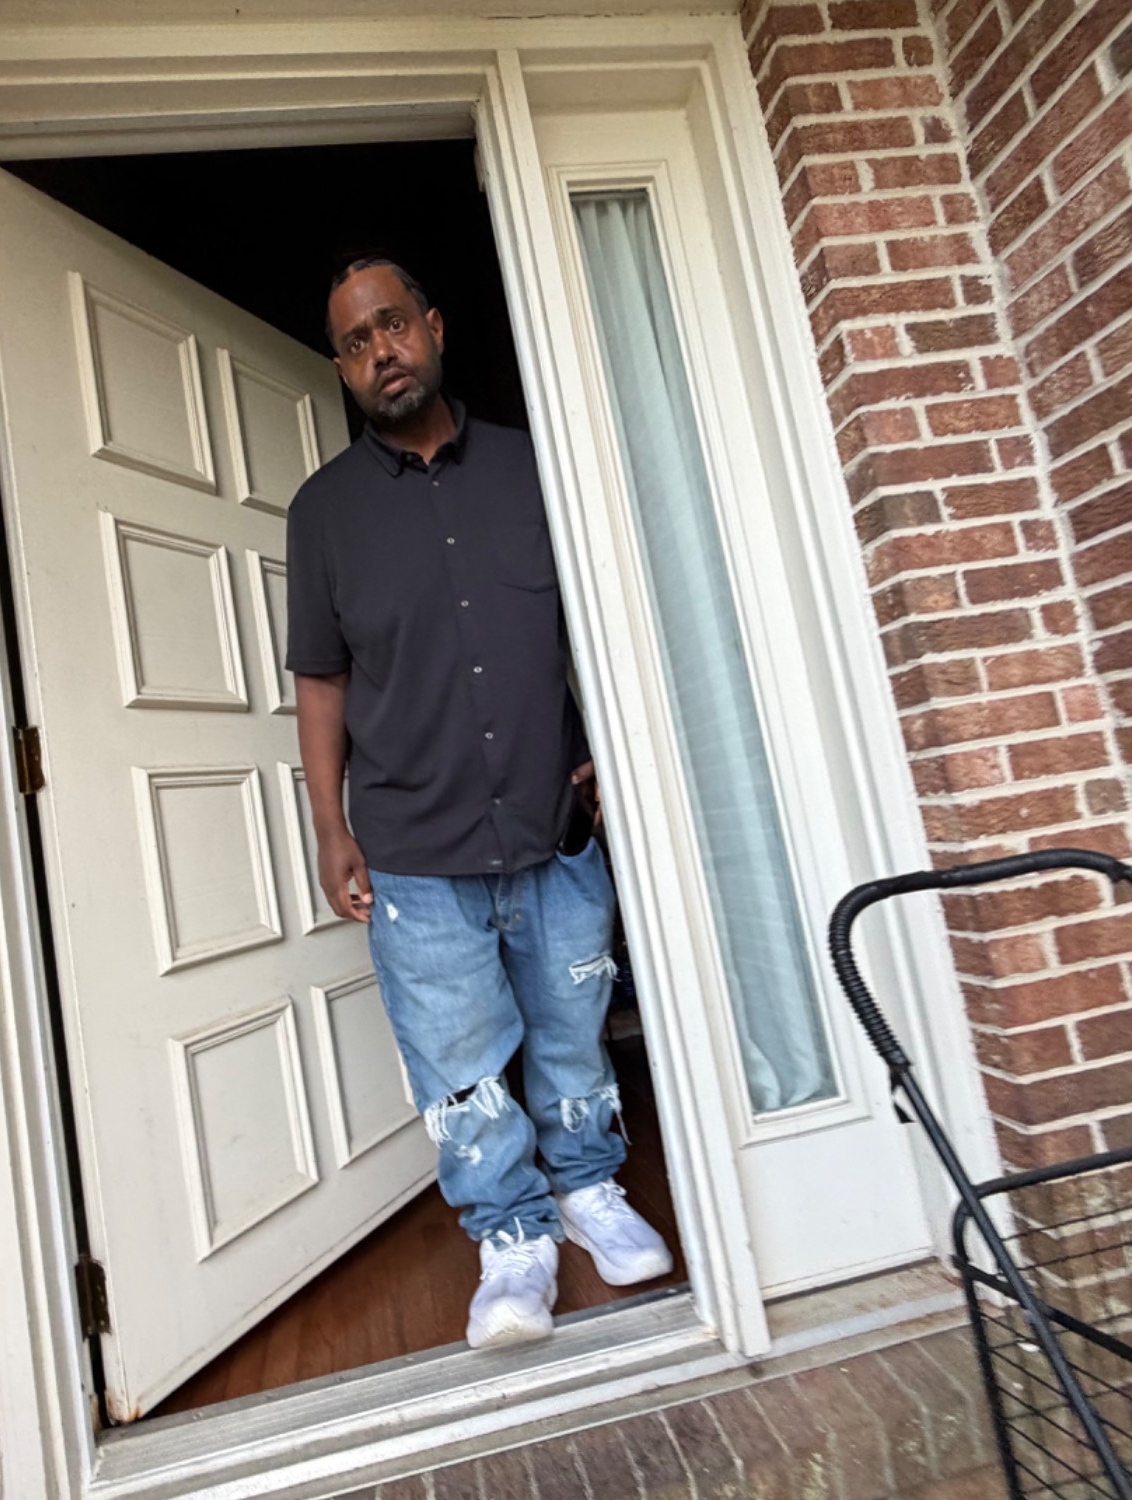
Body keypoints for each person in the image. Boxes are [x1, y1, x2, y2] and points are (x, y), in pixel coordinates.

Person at [286, 256, 672, 1350]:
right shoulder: (323, 513)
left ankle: (587, 1189)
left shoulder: (533, 467)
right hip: (414, 850)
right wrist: (329, 825)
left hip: (552, 828)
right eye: (356, 343)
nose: (381, 352)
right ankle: (511, 1240)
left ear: (434, 327)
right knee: (458, 1068)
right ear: (342, 369)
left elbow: (600, 624)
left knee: (572, 1036)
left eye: (392, 325)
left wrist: (616, 748)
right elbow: (321, 680)